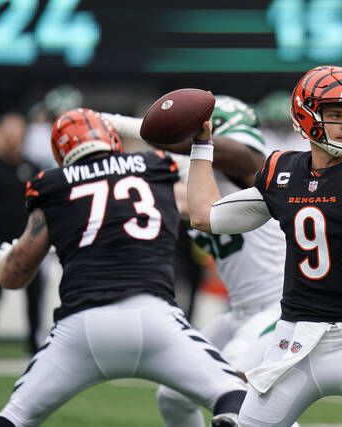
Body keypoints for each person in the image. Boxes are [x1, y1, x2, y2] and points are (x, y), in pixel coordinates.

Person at [185, 65, 342, 426]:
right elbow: (204, 216)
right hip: (295, 340)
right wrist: (202, 146)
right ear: (307, 116)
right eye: (335, 114)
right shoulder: (284, 172)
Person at [0, 108, 246, 427]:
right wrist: (202, 150)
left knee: (13, 417)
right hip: (154, 320)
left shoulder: (53, 184)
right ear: (110, 138)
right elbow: (204, 210)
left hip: (80, 328)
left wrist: (7, 258)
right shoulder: (152, 167)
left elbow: (13, 277)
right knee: (233, 396)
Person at [103, 96, 292, 427]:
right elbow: (154, 203)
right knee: (173, 396)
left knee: (237, 389)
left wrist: (119, 122)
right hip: (241, 313)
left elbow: (239, 156)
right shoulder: (199, 185)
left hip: (277, 309)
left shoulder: (252, 169)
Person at [0, 113, 44, 356]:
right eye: (7, 132)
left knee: (34, 297)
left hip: (30, 243)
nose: (12, 138)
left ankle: (33, 345)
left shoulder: (32, 168)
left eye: (16, 132)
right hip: (0, 243)